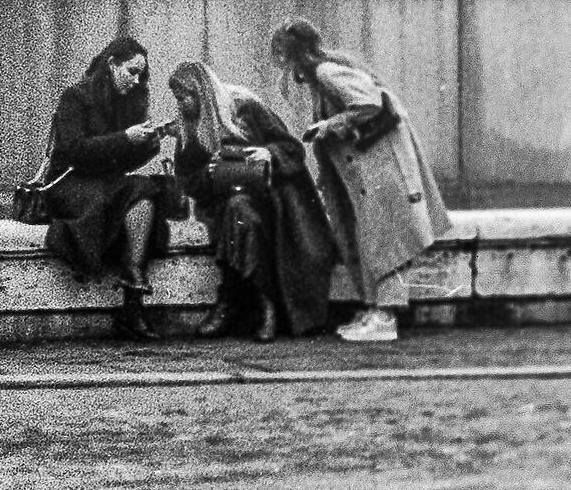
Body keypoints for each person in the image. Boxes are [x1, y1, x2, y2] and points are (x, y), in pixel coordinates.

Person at [269, 19, 453, 343]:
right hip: (370, 170)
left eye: (283, 55)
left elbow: (369, 103)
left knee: (385, 240)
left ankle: (385, 316)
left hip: (378, 169)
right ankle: (375, 310)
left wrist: (328, 126)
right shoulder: (326, 72)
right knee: (374, 237)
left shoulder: (327, 72)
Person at [168, 61, 336, 341]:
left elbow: (292, 149)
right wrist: (207, 175)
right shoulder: (189, 128)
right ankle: (263, 302)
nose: (181, 104)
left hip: (271, 195)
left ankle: (232, 301)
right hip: (221, 201)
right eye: (178, 98)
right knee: (239, 214)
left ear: (202, 94)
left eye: (185, 96)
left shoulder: (245, 105)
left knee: (244, 214)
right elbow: (186, 178)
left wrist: (269, 153)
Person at [40, 36, 180, 340]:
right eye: (131, 71)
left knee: (144, 190)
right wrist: (125, 138)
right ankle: (133, 295)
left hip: (108, 182)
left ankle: (133, 286)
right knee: (110, 199)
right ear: (111, 64)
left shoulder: (130, 102)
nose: (136, 80)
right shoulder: (75, 97)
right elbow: (74, 150)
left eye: (141, 74)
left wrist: (152, 141)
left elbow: (125, 161)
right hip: (70, 183)